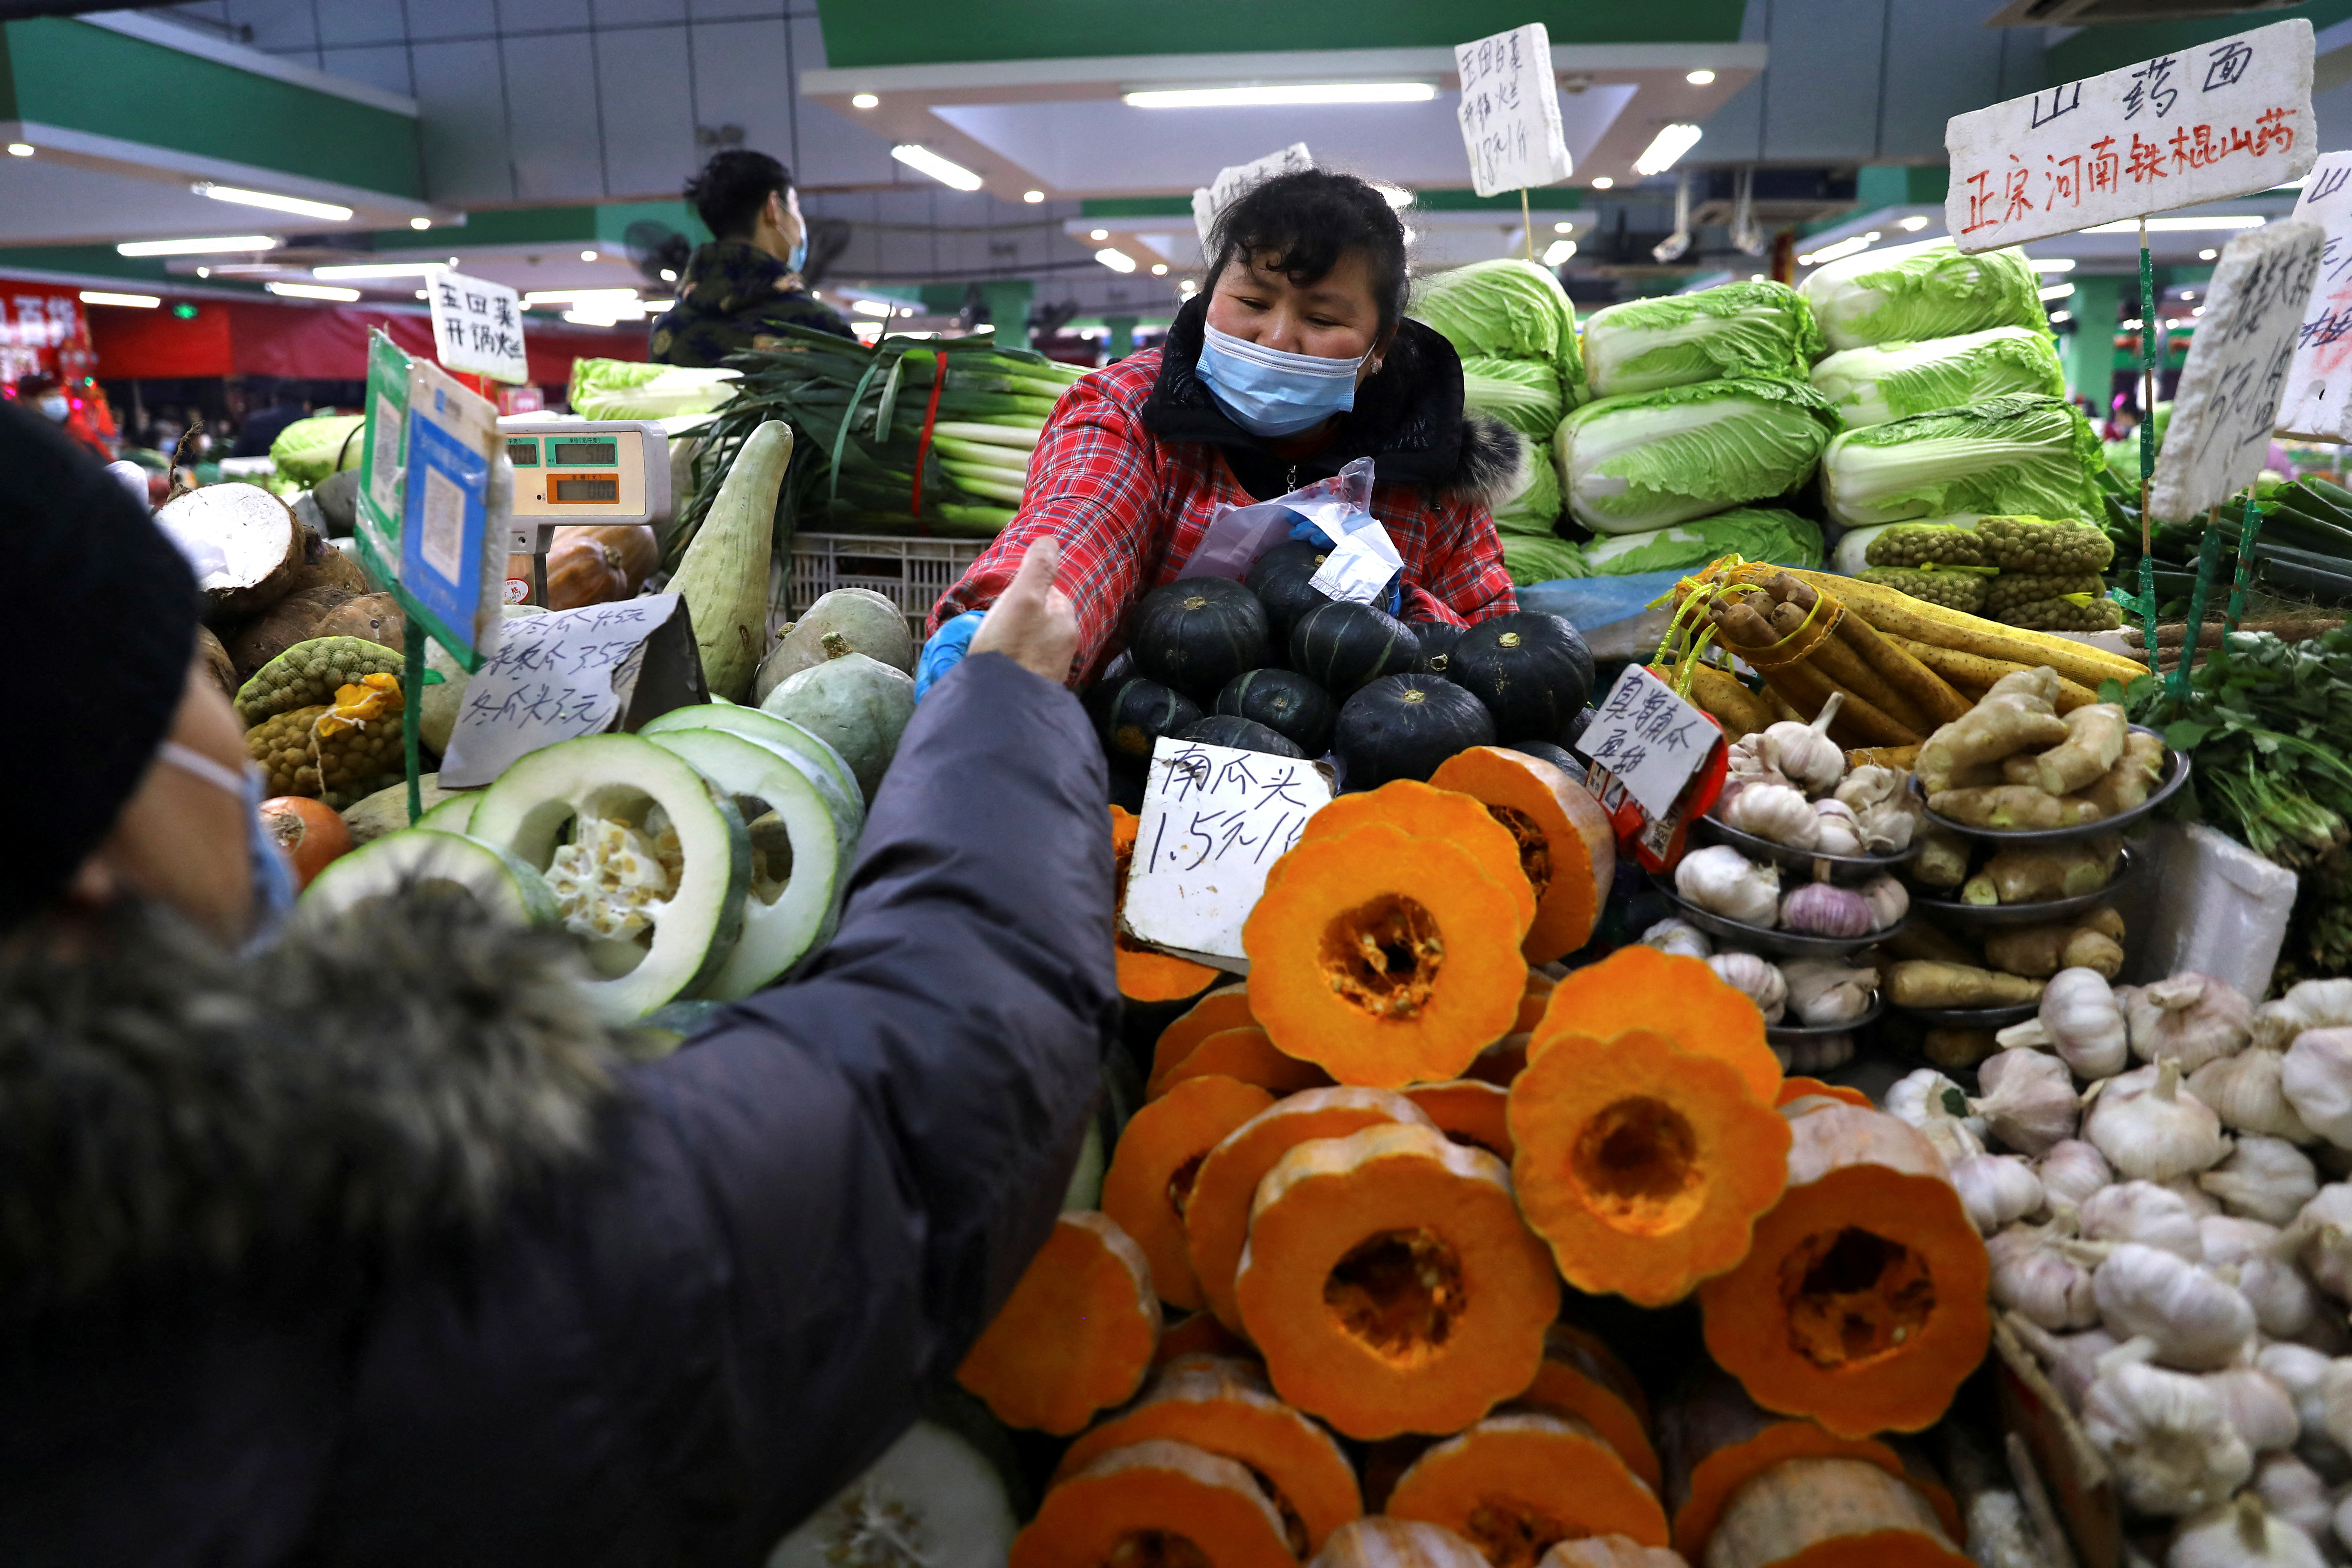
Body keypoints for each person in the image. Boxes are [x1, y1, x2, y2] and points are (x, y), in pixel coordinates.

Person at [0, 399, 1117, 1564]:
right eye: (186, 670)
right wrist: (1006, 716)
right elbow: (926, 1099)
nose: (229, 732)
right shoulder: (399, 1265)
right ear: (82, 855)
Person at [925, 168, 1522, 686]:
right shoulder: (1127, 410)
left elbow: (1500, 653)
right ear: (1211, 297)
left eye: (1320, 317)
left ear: (1380, 344)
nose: (1277, 337)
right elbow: (1083, 521)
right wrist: (1017, 619)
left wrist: (1396, 612)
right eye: (1253, 303)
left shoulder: (1434, 468)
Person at [651, 149, 855, 365]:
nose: (800, 222)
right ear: (773, 207)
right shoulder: (819, 327)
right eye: (796, 206)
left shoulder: (668, 329)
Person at [231, 376, 312, 458]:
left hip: (261, 470)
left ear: (274, 399)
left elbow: (237, 455)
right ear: (305, 403)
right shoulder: (311, 423)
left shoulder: (255, 421)